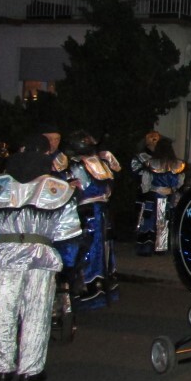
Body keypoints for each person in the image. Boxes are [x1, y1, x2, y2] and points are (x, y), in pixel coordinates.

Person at [0, 135, 82, 381]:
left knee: (1, 313)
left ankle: (2, 370)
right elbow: (68, 237)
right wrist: (67, 266)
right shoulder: (58, 189)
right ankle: (29, 372)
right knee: (36, 313)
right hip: (41, 257)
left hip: (5, 256)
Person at [65, 130, 121, 310]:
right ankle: (84, 291)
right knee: (87, 251)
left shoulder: (101, 161)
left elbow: (109, 185)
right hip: (87, 213)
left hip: (101, 211)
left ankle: (101, 290)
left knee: (103, 250)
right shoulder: (76, 165)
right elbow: (78, 189)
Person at [133, 134, 185, 256]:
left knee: (149, 221)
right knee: (163, 221)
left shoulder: (152, 163)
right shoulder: (177, 164)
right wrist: (172, 190)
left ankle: (146, 247)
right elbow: (179, 182)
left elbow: (146, 181)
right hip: (168, 197)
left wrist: (145, 192)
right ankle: (161, 248)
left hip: (153, 196)